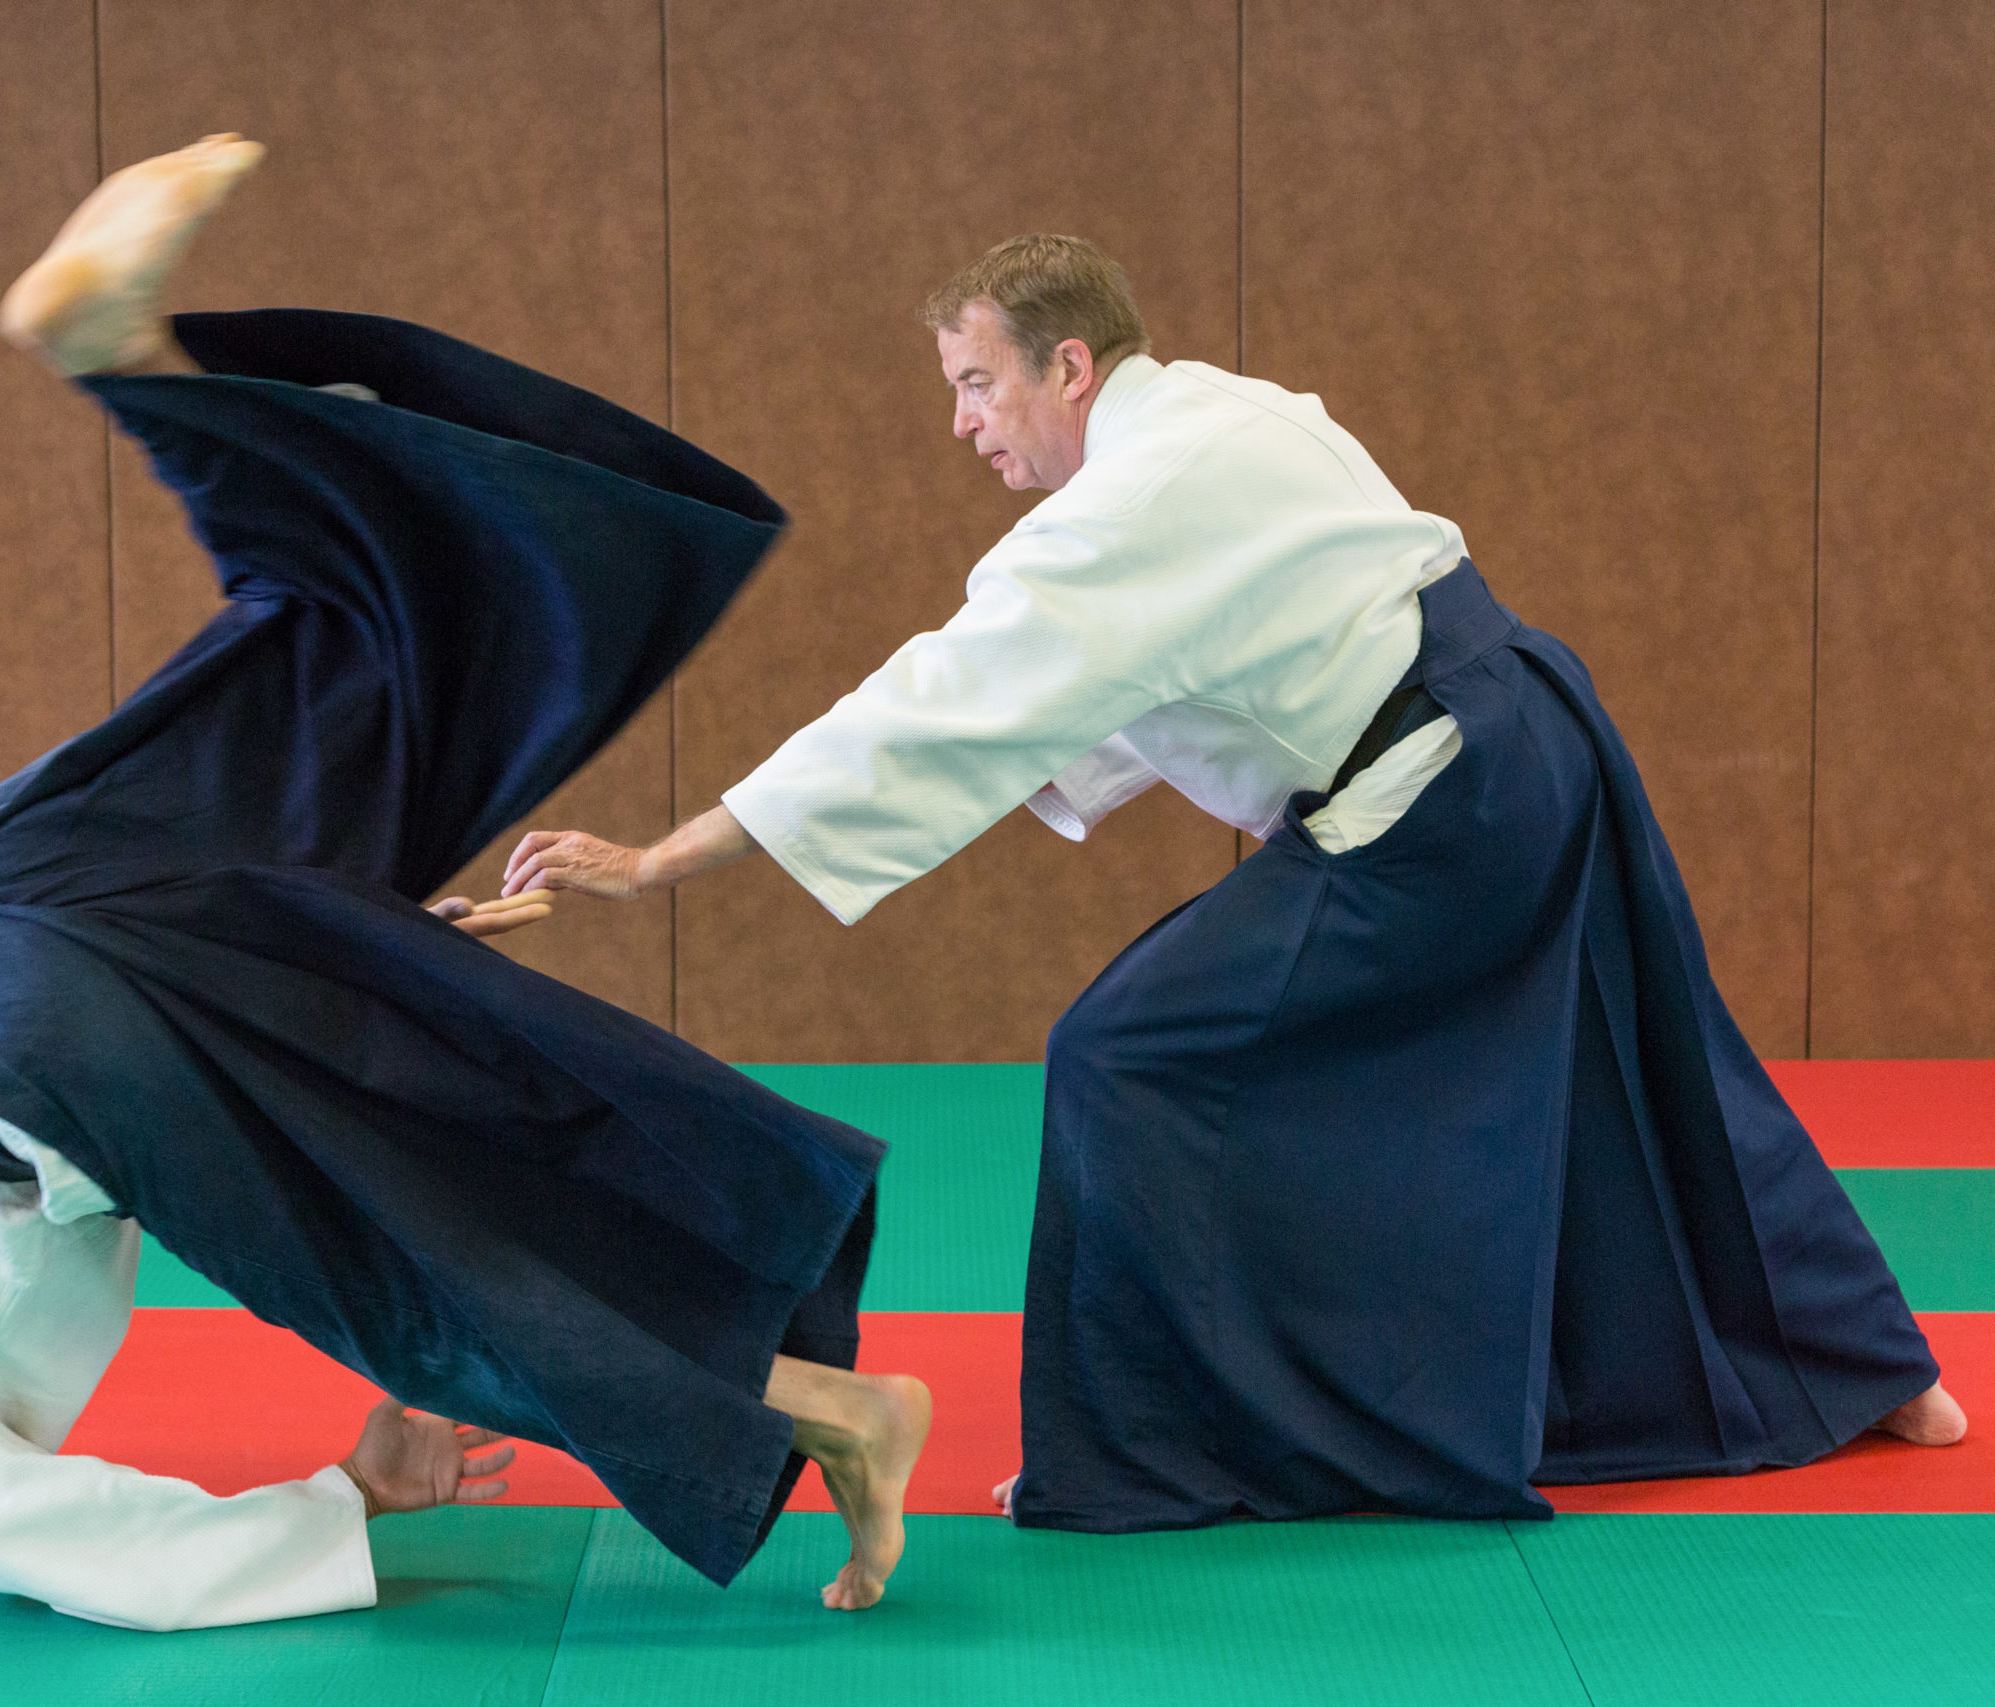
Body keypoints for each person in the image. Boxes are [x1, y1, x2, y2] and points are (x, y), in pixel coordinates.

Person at [501, 233, 1964, 1534]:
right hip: (1527, 732)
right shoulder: (1227, 412)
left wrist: (672, 852)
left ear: (1068, 366)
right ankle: (1872, 1372)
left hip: (1439, 799)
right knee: (1627, 1056)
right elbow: (1096, 682)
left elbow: (939, 698)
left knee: (1134, 1054)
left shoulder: (1131, 502)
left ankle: (1153, 1453)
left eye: (976, 383)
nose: (961, 424)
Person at [0, 136, 929, 1631]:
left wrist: (342, 1510)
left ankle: (832, 1408)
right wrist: (363, 928)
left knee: (409, 1243)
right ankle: (143, 375)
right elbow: (140, 960)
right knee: (335, 666)